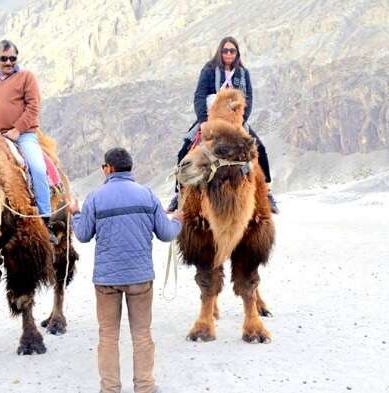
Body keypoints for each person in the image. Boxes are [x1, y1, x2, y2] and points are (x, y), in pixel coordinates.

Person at [69, 147, 181, 393]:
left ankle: (110, 389)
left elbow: (83, 235)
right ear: (131, 168)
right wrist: (178, 219)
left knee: (108, 336)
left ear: (107, 169)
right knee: (142, 334)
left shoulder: (95, 197)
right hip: (140, 278)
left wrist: (75, 215)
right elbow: (166, 234)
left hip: (106, 281)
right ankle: (145, 387)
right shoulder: (147, 195)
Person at [167, 36, 279, 214]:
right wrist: (204, 121)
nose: (228, 54)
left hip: (236, 121)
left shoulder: (243, 73)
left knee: (261, 150)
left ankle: (266, 192)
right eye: (225, 50)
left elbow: (248, 99)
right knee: (185, 150)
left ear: (237, 53)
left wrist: (240, 121)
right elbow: (199, 95)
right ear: (220, 52)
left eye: (232, 51)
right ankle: (178, 193)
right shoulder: (209, 70)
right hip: (211, 119)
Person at [0, 39, 56, 240]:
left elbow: (33, 106)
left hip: (23, 136)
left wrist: (17, 129)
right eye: (4, 59)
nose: (8, 62)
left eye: (12, 58)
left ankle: (44, 220)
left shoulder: (26, 77)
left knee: (38, 168)